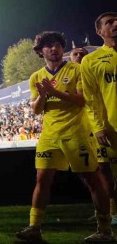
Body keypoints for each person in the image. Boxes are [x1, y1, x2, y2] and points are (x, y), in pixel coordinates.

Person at [16, 31, 114, 242]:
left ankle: (105, 229)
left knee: (93, 179)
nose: (54, 48)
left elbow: (82, 100)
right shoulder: (36, 77)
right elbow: (36, 109)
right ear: (40, 51)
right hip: (49, 135)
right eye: (49, 45)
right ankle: (34, 227)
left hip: (76, 133)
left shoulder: (77, 69)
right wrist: (42, 96)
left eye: (58, 45)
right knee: (42, 180)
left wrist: (54, 93)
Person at [82, 13, 117, 225]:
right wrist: (98, 127)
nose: (116, 24)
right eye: (109, 22)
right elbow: (90, 98)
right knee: (108, 174)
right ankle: (113, 213)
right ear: (99, 31)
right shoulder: (91, 60)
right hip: (111, 128)